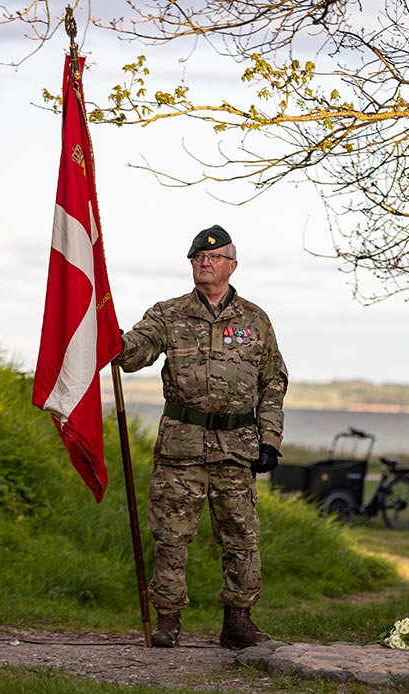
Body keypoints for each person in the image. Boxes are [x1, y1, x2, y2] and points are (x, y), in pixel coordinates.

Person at [115, 224, 287, 649]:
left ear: (232, 264)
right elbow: (135, 353)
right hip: (181, 447)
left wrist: (270, 441)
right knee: (172, 537)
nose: (204, 263)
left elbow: (273, 382)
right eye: (197, 258)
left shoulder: (254, 320)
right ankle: (169, 619)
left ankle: (238, 621)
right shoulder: (168, 314)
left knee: (242, 538)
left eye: (213, 258)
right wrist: (111, 340)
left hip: (236, 449)